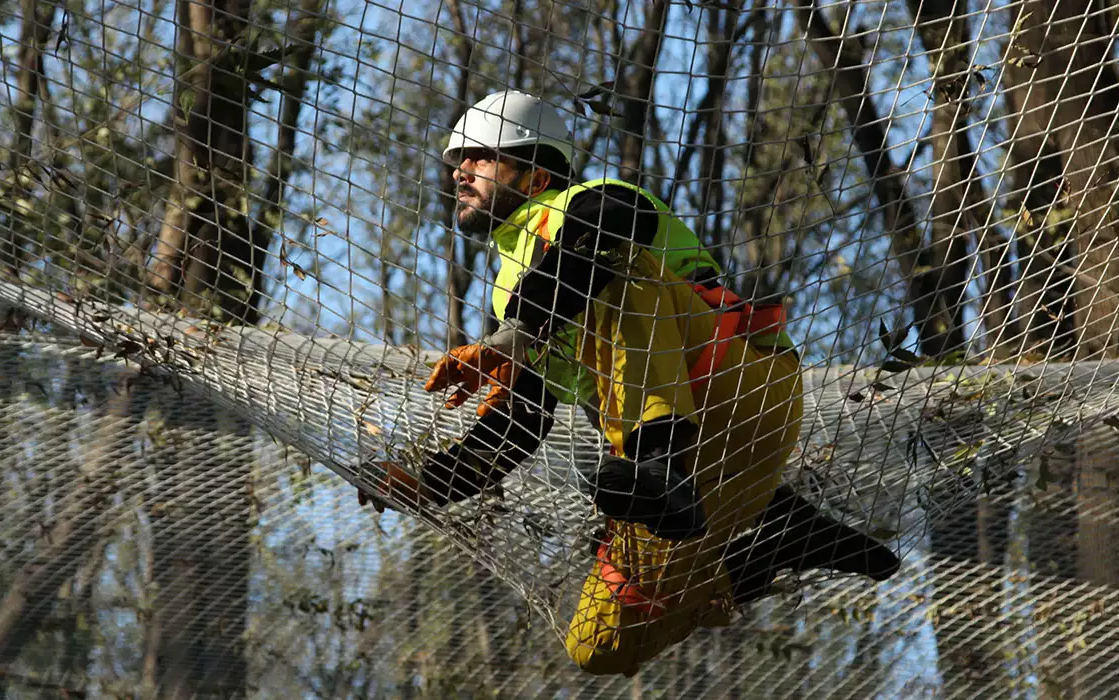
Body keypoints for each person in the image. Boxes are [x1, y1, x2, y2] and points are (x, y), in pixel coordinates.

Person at [356, 90, 900, 676]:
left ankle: (666, 469)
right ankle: (768, 540)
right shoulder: (507, 291)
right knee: (598, 645)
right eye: (458, 158)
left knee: (609, 266)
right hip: (711, 472)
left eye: (482, 156)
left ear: (537, 175)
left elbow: (612, 229)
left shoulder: (589, 202)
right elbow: (521, 421)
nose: (460, 171)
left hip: (736, 382)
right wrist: (423, 483)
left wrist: (509, 340)